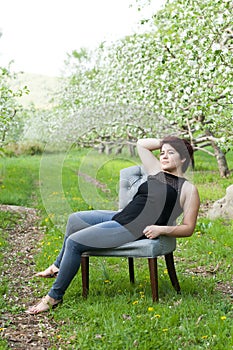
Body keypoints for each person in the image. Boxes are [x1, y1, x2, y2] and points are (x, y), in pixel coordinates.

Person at [26, 136, 200, 314]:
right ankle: (58, 266)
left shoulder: (188, 189)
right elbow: (142, 144)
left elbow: (188, 228)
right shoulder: (157, 172)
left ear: (184, 157)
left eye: (170, 153)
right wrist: (168, 142)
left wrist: (161, 229)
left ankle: (53, 297)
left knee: (74, 242)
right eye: (162, 152)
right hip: (121, 216)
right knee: (75, 219)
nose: (163, 156)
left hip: (133, 227)